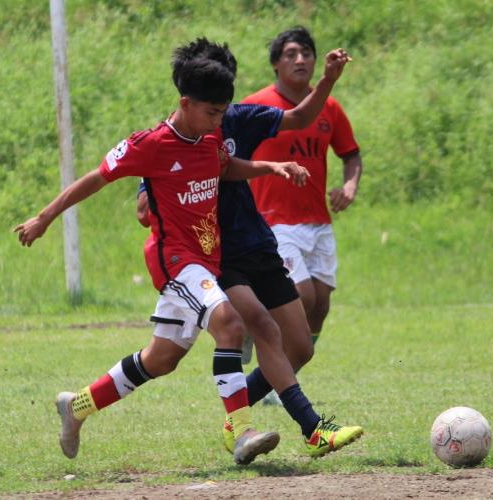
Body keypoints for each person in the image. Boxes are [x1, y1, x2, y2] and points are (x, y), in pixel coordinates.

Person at [14, 39, 308, 465]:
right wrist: (44, 218)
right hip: (176, 261)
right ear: (185, 103)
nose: (218, 122)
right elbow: (96, 178)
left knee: (161, 359)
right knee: (228, 323)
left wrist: (270, 167)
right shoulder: (150, 144)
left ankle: (76, 406)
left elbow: (226, 169)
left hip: (203, 261)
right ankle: (243, 431)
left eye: (222, 113)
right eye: (211, 113)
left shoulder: (209, 137)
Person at [138, 39, 363, 457]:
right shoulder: (172, 137)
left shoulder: (239, 118)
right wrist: (155, 196)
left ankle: (234, 416)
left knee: (300, 347)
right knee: (262, 327)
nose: (221, 105)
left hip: (258, 244)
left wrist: (329, 79)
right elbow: (143, 205)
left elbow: (299, 117)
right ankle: (314, 430)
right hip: (216, 254)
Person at [243, 27, 363, 356]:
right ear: (275, 65)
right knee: (301, 295)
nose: (301, 59)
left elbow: (350, 154)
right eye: (291, 54)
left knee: (320, 305)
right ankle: (257, 329)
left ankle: (287, 372)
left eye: (307, 53)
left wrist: (349, 185)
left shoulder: (330, 108)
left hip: (317, 220)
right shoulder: (256, 106)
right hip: (272, 220)